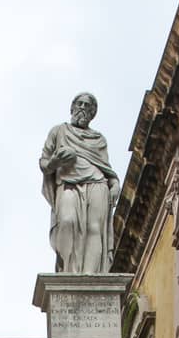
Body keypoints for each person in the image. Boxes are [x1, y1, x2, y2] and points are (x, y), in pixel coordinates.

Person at [39, 92, 120, 274]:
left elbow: (107, 169)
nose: (83, 108)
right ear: (72, 108)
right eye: (80, 104)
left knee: (94, 229)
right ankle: (70, 273)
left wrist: (115, 184)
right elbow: (44, 163)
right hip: (67, 184)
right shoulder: (59, 131)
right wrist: (56, 162)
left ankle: (91, 277)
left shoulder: (99, 139)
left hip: (97, 183)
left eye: (88, 107)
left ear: (92, 114)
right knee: (67, 222)